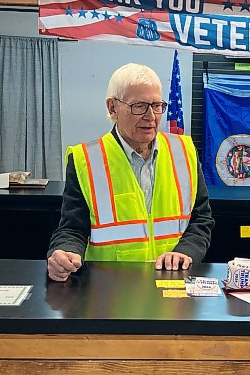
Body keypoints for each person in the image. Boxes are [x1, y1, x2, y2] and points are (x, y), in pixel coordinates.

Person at [47, 63, 214, 281]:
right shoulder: (85, 160)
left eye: (156, 105)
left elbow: (201, 219)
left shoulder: (183, 152)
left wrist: (186, 252)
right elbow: (73, 228)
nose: (151, 116)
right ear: (112, 108)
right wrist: (65, 252)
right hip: (109, 293)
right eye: (139, 106)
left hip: (172, 291)